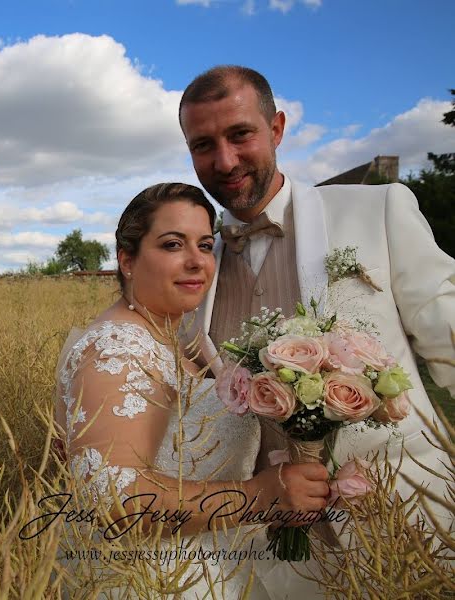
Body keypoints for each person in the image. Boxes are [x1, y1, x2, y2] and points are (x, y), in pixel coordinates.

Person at [178, 65, 455, 597]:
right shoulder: (195, 269)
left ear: (277, 129)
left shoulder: (377, 209)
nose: (225, 161)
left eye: (240, 135)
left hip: (406, 518)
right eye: (203, 145)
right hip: (265, 552)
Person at [54, 183, 331, 598]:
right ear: (127, 260)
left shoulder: (179, 340)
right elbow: (114, 500)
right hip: (155, 580)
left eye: (204, 245)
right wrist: (257, 496)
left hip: (215, 565)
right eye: (171, 244)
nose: (196, 262)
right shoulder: (116, 349)